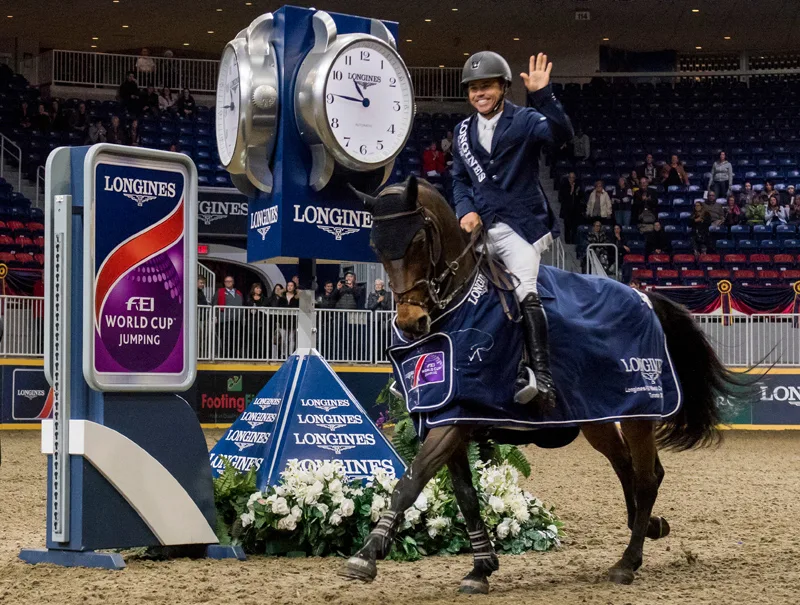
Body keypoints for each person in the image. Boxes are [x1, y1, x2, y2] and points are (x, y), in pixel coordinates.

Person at [452, 51, 574, 407]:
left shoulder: (525, 120)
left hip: (521, 227)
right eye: (473, 89)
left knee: (525, 293)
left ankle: (543, 378)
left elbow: (561, 135)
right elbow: (459, 179)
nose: (479, 94)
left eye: (486, 86)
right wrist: (464, 210)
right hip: (480, 229)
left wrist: (543, 95)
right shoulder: (461, 132)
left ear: (503, 87)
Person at [215, 275, 243, 358]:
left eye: (230, 281)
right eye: (226, 281)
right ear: (224, 283)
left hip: (237, 320)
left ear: (233, 282)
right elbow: (214, 303)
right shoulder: (220, 292)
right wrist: (216, 316)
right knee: (225, 339)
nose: (228, 283)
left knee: (236, 339)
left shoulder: (238, 293)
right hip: (224, 320)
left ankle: (234, 355)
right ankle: (226, 356)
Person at [558, 172, 582, 244]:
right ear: (568, 178)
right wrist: (571, 191)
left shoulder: (577, 185)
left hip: (575, 209)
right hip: (567, 210)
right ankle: (567, 241)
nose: (572, 179)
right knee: (567, 226)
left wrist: (577, 193)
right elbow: (561, 197)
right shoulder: (564, 185)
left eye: (573, 178)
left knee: (574, 226)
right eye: (570, 177)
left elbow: (581, 195)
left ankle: (573, 240)